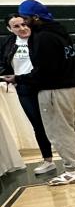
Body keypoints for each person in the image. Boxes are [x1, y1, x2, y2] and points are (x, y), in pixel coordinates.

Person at [17, 0, 75, 187]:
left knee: (60, 131)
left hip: (55, 91)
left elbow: (45, 71)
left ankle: (72, 170)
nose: (24, 23)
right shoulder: (64, 33)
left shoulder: (42, 38)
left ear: (35, 17)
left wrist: (20, 79)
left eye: (25, 18)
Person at [1, 14, 56, 175]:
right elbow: (4, 63)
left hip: (45, 86)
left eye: (24, 24)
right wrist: (8, 76)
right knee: (38, 126)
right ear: (9, 29)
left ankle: (72, 157)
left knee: (57, 123)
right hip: (24, 88)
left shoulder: (40, 39)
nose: (22, 28)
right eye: (16, 26)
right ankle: (48, 160)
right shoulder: (9, 43)